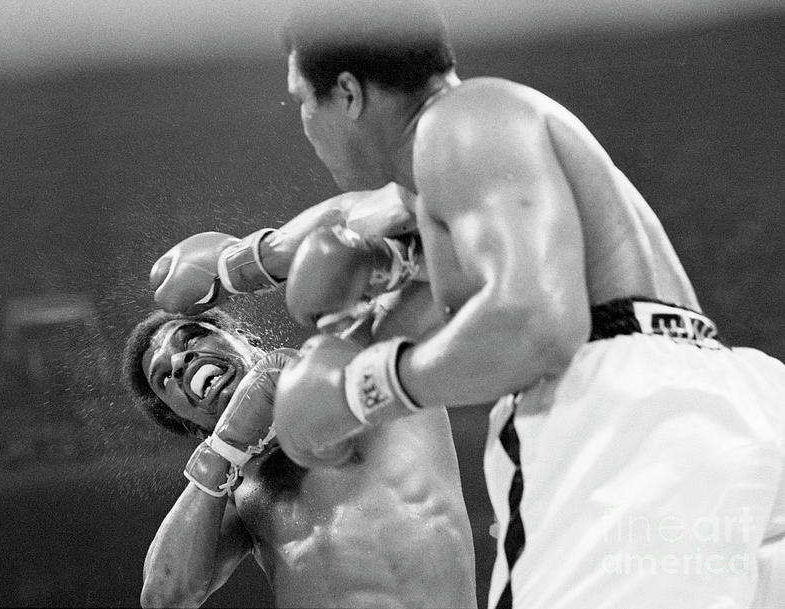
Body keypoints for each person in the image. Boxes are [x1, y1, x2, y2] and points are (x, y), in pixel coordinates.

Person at [263, 2, 785, 608]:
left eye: (302, 99)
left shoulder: (457, 125)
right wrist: (242, 264)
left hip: (625, 424)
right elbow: (361, 216)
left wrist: (362, 389)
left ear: (348, 93)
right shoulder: (472, 148)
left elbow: (536, 327)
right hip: (729, 409)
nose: (302, 120)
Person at [122, 307, 477, 608]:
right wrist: (222, 450)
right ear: (188, 423)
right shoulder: (236, 495)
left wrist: (260, 260)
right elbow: (164, 598)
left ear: (245, 337)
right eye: (165, 376)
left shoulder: (364, 368)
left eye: (192, 338)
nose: (181, 362)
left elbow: (414, 277)